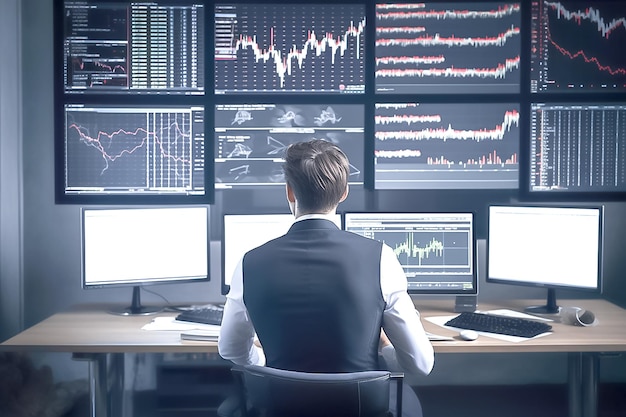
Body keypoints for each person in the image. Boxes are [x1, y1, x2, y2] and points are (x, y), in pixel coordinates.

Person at [218, 139, 434, 417]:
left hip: (280, 407)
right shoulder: (382, 257)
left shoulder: (249, 262)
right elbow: (420, 363)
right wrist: (384, 344)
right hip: (360, 408)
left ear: (289, 192)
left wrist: (266, 365)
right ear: (344, 193)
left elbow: (230, 349)